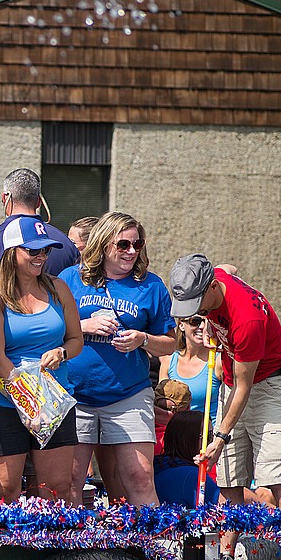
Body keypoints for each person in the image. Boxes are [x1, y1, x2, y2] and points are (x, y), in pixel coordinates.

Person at [169, 254, 281, 560]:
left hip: (269, 385)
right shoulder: (212, 279)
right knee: (229, 480)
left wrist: (219, 438)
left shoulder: (246, 319)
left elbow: (245, 387)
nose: (196, 316)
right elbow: (226, 268)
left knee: (277, 477)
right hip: (235, 383)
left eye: (197, 306)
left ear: (213, 288)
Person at [60, 212, 175, 506]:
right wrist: (82, 327)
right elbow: (47, 329)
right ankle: (73, 548)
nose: (132, 251)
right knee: (71, 479)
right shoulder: (71, 279)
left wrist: (143, 339)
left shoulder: (151, 286)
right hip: (75, 394)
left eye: (137, 244)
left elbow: (172, 343)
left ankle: (154, 548)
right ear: (102, 243)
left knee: (139, 475)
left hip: (128, 394)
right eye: (123, 244)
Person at [0, 217, 83, 504]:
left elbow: (76, 340)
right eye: (33, 251)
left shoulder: (58, 288)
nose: (42, 257)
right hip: (5, 400)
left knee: (57, 489)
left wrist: (61, 353)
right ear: (12, 252)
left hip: (55, 401)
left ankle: (54, 548)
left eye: (46, 251)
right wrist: (30, 399)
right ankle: (7, 549)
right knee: (5, 491)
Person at [0, 169, 79, 277]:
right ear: (39, 201)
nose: (42, 256)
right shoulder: (65, 242)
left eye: (46, 250)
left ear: (5, 198)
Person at [164, 314, 223, 423]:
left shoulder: (217, 361)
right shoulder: (169, 360)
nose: (201, 326)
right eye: (195, 321)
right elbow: (161, 403)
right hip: (178, 434)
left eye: (207, 322)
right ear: (181, 325)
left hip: (207, 434)